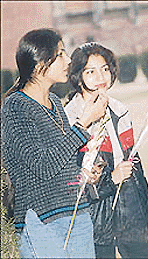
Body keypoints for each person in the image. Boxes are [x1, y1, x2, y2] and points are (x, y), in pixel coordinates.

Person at [1, 29, 108, 258]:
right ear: (40, 64)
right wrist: (83, 124)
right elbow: (43, 165)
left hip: (77, 214)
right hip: (42, 222)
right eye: (60, 54)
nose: (68, 60)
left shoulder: (54, 103)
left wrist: (86, 169)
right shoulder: (15, 108)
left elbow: (63, 158)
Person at [64, 42, 148, 259]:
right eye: (91, 71)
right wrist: (111, 179)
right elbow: (71, 183)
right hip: (94, 216)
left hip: (131, 209)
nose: (101, 76)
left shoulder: (120, 110)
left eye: (105, 68)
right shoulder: (71, 118)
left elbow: (136, 167)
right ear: (78, 76)